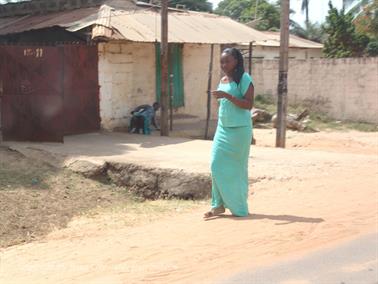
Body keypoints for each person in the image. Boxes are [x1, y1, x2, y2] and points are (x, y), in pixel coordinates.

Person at [203, 47, 254, 219]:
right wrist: (221, 97)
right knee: (215, 165)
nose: (224, 64)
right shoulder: (223, 79)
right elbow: (223, 102)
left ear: (236, 61)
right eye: (222, 61)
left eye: (227, 61)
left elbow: (248, 104)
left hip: (240, 130)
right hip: (223, 128)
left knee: (237, 170)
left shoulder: (244, 79)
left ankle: (239, 207)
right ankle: (218, 205)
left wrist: (227, 96)